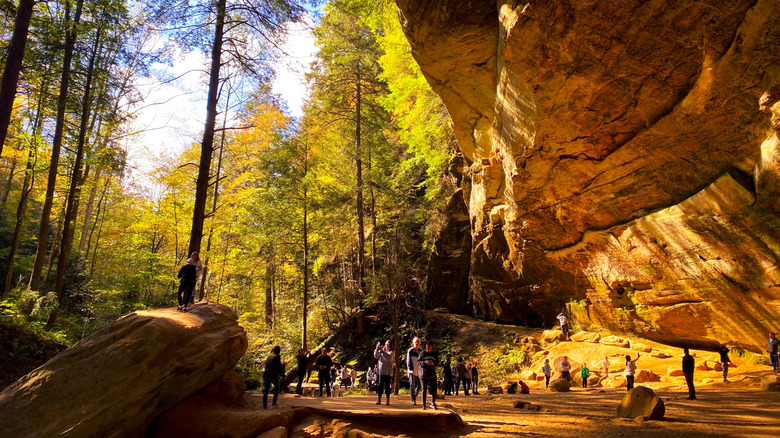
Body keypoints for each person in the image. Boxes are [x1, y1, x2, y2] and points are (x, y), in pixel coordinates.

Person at [419, 340, 439, 410]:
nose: (427, 349)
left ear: (432, 347)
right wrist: (425, 363)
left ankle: (433, 403)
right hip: (423, 374)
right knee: (424, 389)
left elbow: (437, 361)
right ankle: (424, 405)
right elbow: (418, 361)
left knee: (434, 389)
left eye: (429, 347)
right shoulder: (422, 353)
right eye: (427, 347)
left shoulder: (434, 354)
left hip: (432, 374)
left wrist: (433, 363)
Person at [374, 340, 394, 405]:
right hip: (380, 372)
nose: (387, 345)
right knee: (380, 386)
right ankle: (379, 399)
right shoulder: (382, 352)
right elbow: (376, 356)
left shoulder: (392, 352)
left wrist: (382, 351)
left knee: (387, 386)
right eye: (386, 344)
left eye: (388, 344)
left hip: (388, 372)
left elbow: (389, 357)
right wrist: (377, 349)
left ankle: (387, 400)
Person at [406, 337, 422, 405]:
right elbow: (408, 360)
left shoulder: (421, 352)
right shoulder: (410, 350)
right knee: (412, 385)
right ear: (413, 342)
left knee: (420, 385)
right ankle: (413, 399)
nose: (417, 343)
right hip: (412, 371)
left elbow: (422, 360)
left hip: (419, 371)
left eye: (418, 342)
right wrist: (410, 367)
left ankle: (414, 395)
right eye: (416, 342)